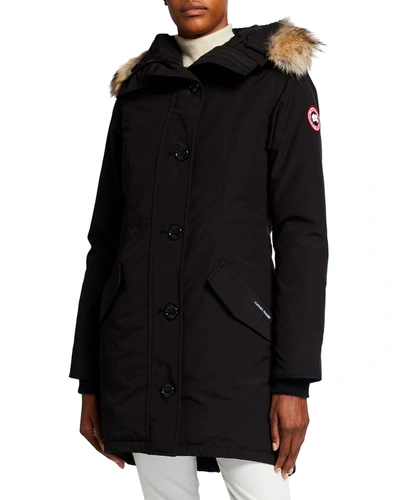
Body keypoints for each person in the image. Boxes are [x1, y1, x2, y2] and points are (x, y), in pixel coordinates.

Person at [68, 1, 329, 498]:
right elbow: (105, 239)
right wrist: (90, 377)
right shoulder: (137, 90)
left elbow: (302, 236)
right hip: (137, 351)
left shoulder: (277, 81)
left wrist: (294, 381)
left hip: (237, 354)